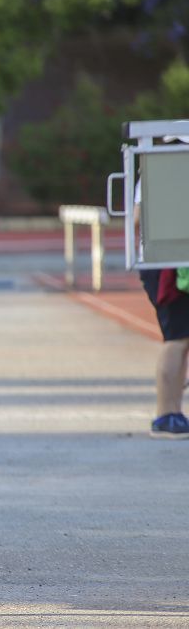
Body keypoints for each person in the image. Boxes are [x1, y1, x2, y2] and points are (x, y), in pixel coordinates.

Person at [135, 155, 189, 438]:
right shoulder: (165, 168)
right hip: (168, 264)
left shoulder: (158, 167)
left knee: (181, 339)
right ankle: (165, 413)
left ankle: (173, 411)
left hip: (170, 261)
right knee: (176, 339)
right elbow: (137, 217)